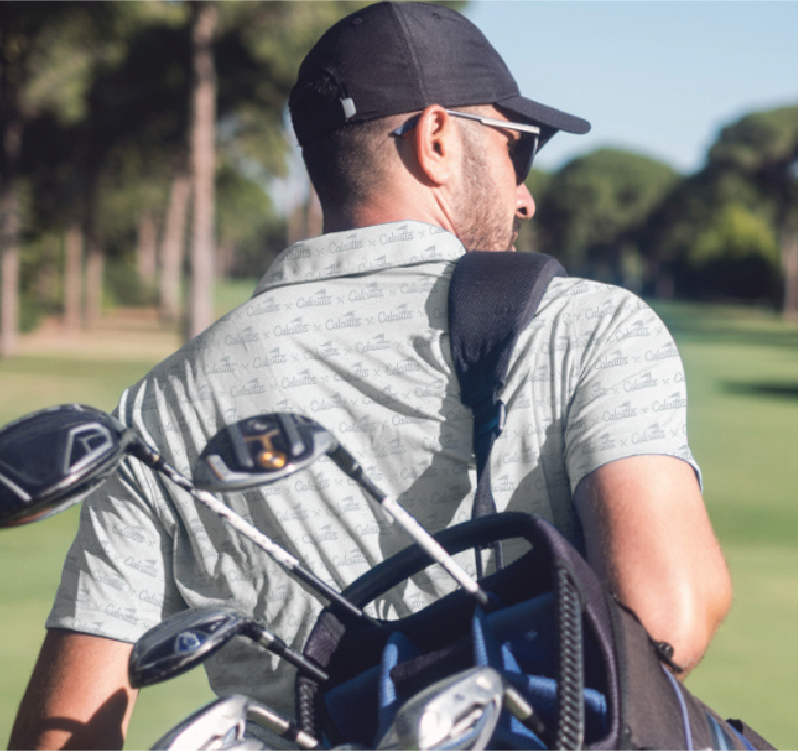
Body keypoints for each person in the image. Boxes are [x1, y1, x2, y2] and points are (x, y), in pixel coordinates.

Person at [8, 3, 731, 750]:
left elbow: (59, 735)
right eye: (519, 147)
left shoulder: (164, 402)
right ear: (438, 138)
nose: (525, 194)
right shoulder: (586, 324)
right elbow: (671, 619)